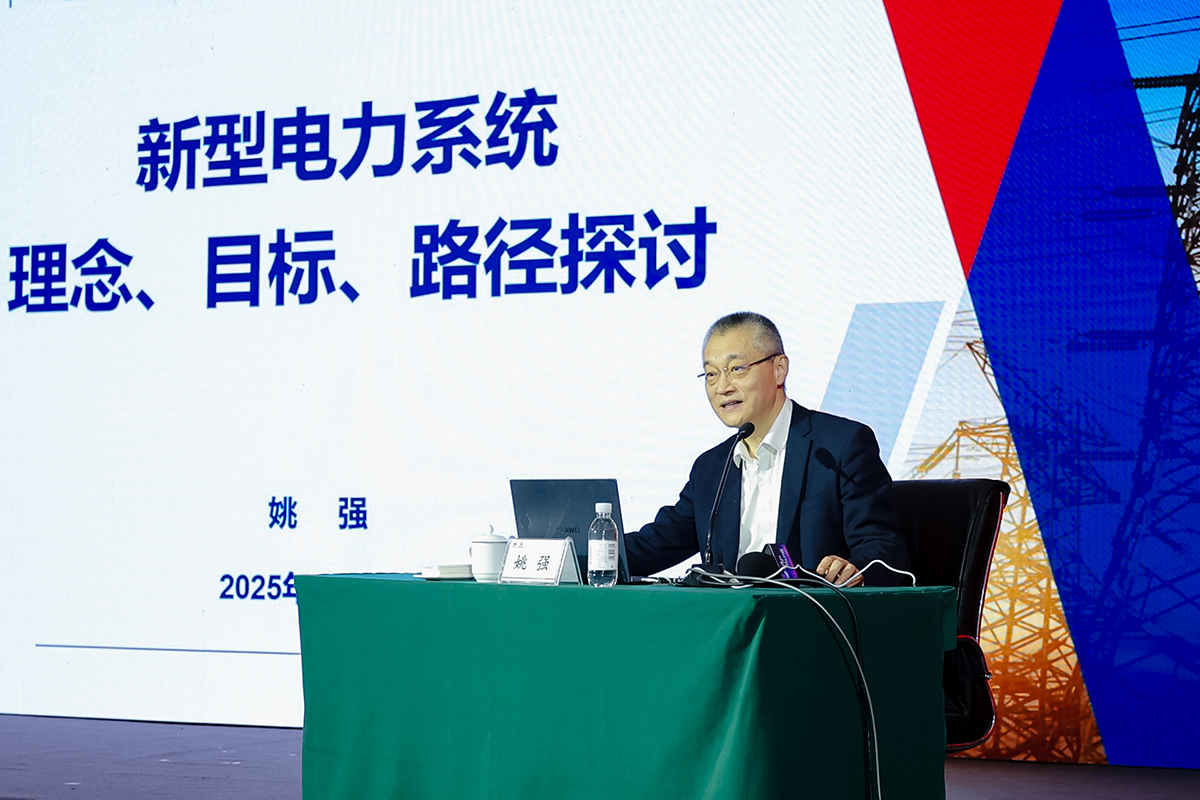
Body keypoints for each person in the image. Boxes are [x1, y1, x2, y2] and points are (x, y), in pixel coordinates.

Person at [624, 311, 911, 586]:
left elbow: (883, 549)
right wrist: (600, 551)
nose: (722, 387)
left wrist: (852, 568)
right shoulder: (711, 467)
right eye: (711, 374)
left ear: (779, 369)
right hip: (733, 615)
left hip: (814, 613)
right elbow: (657, 543)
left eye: (736, 369)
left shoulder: (839, 446)